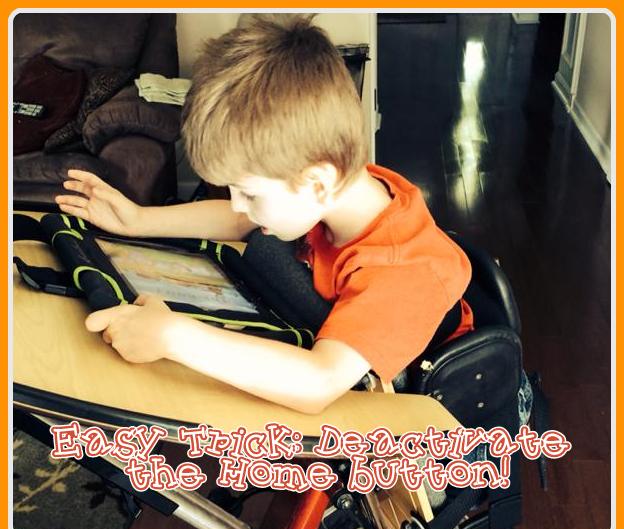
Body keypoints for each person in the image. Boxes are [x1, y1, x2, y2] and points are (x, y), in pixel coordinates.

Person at [55, 15, 473, 415]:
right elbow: (241, 221)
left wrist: (172, 336)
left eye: (250, 193)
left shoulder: (406, 272)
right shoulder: (332, 188)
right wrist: (138, 221)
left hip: (405, 405)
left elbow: (318, 383)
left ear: (317, 182)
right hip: (312, 326)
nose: (239, 204)